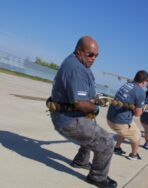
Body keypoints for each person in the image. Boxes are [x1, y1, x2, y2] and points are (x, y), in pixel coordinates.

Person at [49, 36, 117, 188]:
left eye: (96, 55)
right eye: (90, 54)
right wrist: (96, 107)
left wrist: (95, 100)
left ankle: (81, 161)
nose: (93, 58)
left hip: (68, 115)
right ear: (79, 51)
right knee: (106, 142)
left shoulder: (77, 63)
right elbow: (80, 105)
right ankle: (97, 178)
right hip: (68, 120)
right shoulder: (76, 69)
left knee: (92, 127)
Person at [107, 70, 148, 160]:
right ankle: (134, 155)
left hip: (110, 117)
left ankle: (117, 148)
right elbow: (137, 114)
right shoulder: (141, 92)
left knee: (128, 128)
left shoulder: (126, 85)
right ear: (144, 81)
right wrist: (143, 109)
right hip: (119, 122)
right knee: (137, 135)